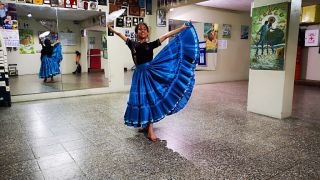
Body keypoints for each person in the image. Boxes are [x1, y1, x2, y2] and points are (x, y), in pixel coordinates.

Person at [108, 22, 200, 141]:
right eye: (139, 29)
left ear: (147, 33)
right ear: (136, 33)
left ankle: (150, 128)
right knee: (142, 100)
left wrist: (182, 28)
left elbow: (166, 35)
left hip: (149, 74)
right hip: (138, 76)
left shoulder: (150, 45)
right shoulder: (132, 44)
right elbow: (120, 34)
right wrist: (111, 28)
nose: (142, 30)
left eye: (144, 29)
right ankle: (145, 125)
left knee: (149, 99)